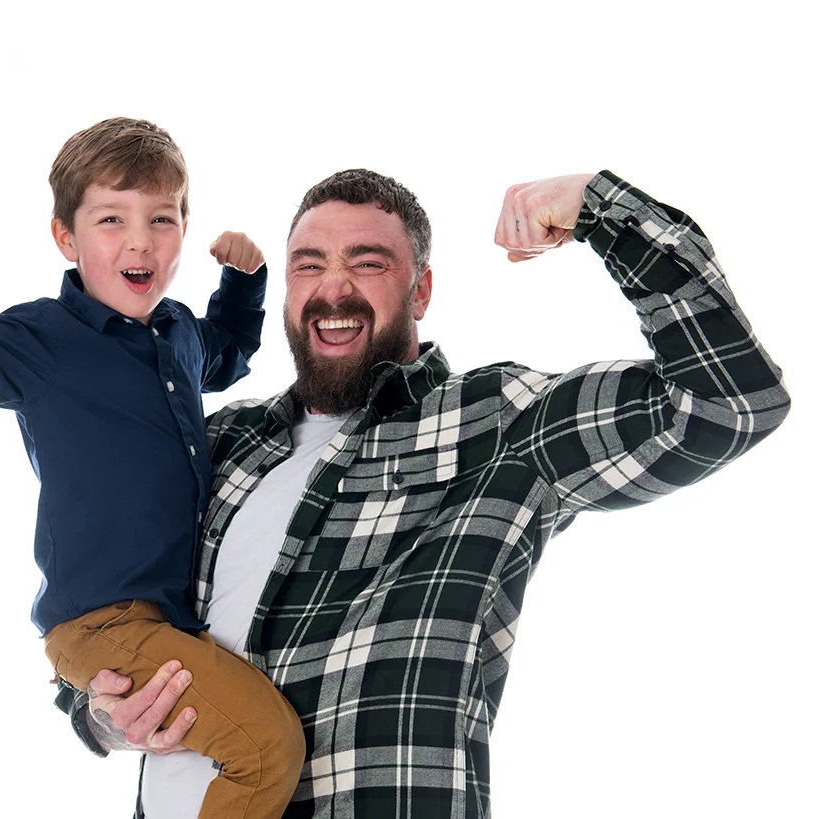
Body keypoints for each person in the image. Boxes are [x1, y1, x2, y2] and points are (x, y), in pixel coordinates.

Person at [63, 168, 790, 819]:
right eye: (308, 264)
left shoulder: (499, 421)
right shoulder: (216, 442)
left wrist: (599, 208)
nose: (333, 287)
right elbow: (106, 613)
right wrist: (100, 714)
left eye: (368, 263)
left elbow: (731, 401)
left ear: (423, 290)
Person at [0, 117, 306, 818]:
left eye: (162, 218)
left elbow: (227, 355)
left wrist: (244, 280)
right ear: (65, 239)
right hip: (102, 623)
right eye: (111, 218)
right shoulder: (42, 340)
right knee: (267, 747)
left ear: (183, 231)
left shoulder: (177, 331)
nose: (140, 240)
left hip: (162, 618)